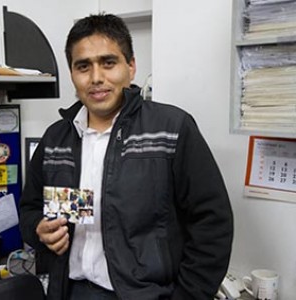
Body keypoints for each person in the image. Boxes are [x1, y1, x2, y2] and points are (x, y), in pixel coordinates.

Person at [19, 13, 233, 300]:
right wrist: (39, 229)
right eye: (83, 66)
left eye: (108, 63)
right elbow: (31, 208)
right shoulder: (57, 139)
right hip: (70, 291)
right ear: (72, 73)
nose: (96, 78)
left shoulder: (171, 130)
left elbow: (212, 224)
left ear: (131, 67)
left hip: (147, 294)